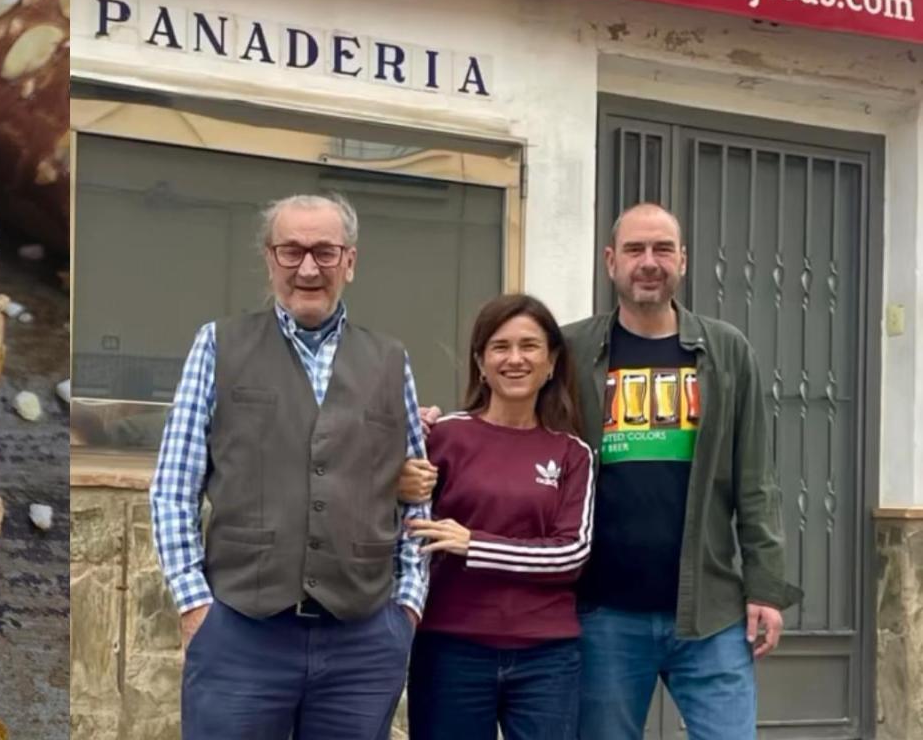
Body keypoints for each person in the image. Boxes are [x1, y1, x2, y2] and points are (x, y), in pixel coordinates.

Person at [399, 202, 801, 739]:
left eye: (662, 249)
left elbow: (756, 479)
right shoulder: (574, 347)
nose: (649, 262)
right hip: (604, 612)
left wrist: (766, 588)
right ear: (611, 261)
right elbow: (509, 418)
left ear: (682, 260)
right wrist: (427, 429)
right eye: (635, 249)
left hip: (710, 610)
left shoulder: (726, 350)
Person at [149, 193, 429, 740]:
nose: (307, 268)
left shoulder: (391, 360)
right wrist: (194, 606)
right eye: (291, 251)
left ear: (350, 260)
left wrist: (407, 607)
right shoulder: (218, 344)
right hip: (241, 635)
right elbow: (174, 487)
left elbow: (415, 494)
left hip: (363, 643)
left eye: (324, 252)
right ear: (269, 258)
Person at [405, 293, 594, 740]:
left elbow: (571, 553)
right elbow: (405, 527)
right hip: (451, 647)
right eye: (499, 347)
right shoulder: (443, 438)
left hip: (547, 656)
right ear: (480, 362)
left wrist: (474, 544)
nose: (515, 359)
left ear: (551, 362)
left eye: (529, 346)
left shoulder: (572, 453)